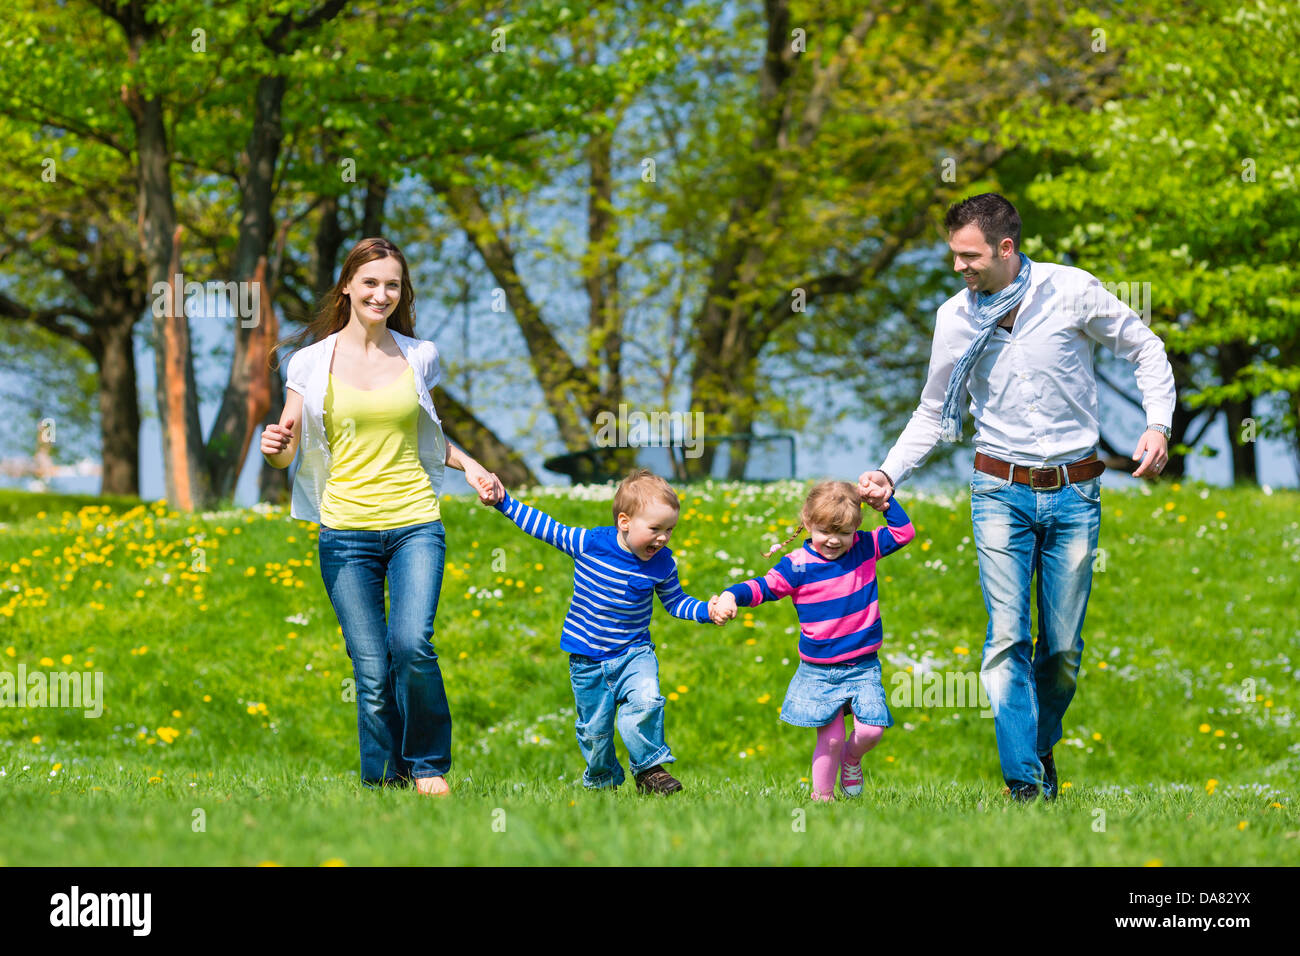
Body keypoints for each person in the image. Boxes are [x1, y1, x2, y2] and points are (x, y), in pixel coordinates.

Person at [857, 193, 1176, 801]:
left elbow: (1146, 350)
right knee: (1007, 638)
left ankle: (1038, 742)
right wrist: (888, 472)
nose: (959, 268)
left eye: (969, 255)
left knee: (1061, 652)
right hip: (997, 490)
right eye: (954, 256)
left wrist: (1157, 423)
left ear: (1006, 248)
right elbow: (933, 409)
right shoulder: (955, 318)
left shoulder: (1071, 290)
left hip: (1074, 490)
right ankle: (1025, 786)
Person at [261, 237, 502, 797]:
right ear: (347, 286)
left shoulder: (419, 355)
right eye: (370, 282)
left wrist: (470, 465)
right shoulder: (309, 361)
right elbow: (287, 443)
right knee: (370, 668)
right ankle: (383, 782)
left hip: (415, 520)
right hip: (345, 531)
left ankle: (428, 767)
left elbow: (425, 435)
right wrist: (274, 447)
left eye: (392, 284)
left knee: (412, 644)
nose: (381, 293)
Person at [479, 468, 725, 794]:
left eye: (670, 529)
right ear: (624, 522)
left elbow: (676, 602)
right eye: (655, 529)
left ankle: (650, 770)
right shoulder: (591, 543)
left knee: (647, 700)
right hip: (588, 660)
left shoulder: (663, 564)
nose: (663, 538)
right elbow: (545, 527)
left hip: (634, 653)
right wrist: (504, 502)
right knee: (594, 731)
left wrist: (706, 611)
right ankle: (602, 782)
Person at [711, 481, 914, 801]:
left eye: (844, 533)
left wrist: (885, 504)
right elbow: (763, 587)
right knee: (831, 739)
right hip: (819, 672)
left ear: (856, 527)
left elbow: (904, 534)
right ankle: (823, 799)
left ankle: (852, 758)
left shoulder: (864, 547)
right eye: (824, 531)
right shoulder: (797, 566)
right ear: (807, 522)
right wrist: (730, 595)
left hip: (862, 666)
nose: (834, 540)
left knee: (871, 730)